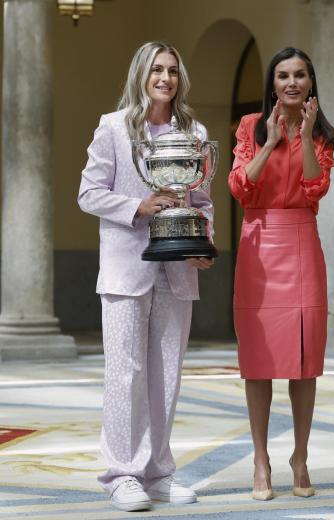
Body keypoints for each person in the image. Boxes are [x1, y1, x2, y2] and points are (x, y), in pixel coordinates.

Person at [77, 41, 214, 512]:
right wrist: (138, 206)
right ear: (141, 74)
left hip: (176, 269)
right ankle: (122, 474)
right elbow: (88, 193)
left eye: (173, 71)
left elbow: (202, 201)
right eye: (157, 69)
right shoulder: (112, 128)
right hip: (125, 269)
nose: (165, 78)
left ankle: (158, 473)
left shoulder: (194, 131)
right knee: (126, 373)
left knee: (166, 375)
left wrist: (203, 243)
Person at [228, 47, 334, 501]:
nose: (291, 83)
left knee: (304, 358)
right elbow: (239, 187)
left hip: (301, 242)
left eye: (299, 75)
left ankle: (300, 456)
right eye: (282, 76)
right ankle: (261, 460)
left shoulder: (323, 133)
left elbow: (315, 189)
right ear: (272, 84)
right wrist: (271, 142)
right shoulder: (250, 127)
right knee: (258, 362)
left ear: (311, 82)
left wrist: (308, 136)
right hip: (258, 242)